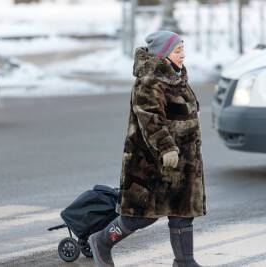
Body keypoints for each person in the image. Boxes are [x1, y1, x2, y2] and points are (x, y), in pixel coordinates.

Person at [88, 30, 206, 267]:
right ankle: (101, 241)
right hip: (152, 161)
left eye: (183, 48)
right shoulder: (149, 81)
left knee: (182, 213)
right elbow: (150, 118)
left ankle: (185, 262)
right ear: (163, 54)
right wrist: (166, 148)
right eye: (177, 50)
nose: (183, 54)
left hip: (182, 162)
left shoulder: (176, 76)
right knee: (139, 217)